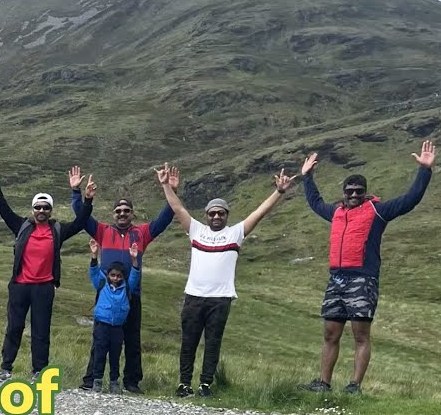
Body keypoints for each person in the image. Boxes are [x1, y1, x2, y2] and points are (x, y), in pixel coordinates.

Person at [296, 142, 436, 395]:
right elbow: (315, 203)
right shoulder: (336, 212)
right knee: (330, 334)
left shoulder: (378, 211)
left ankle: (354, 386)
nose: (353, 196)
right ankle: (323, 384)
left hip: (363, 280)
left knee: (360, 335)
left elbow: (410, 200)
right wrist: (307, 177)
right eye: (349, 191)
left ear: (365, 192)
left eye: (358, 192)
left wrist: (424, 171)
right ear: (343, 192)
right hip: (336, 279)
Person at [158, 163, 294, 398]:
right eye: (212, 213)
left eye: (221, 213)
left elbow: (259, 213)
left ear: (227, 216)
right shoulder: (196, 230)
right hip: (194, 297)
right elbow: (177, 208)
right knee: (188, 342)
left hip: (220, 299)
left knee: (213, 343)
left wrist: (279, 192)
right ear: (207, 216)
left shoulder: (235, 233)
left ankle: (205, 385)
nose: (217, 216)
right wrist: (165, 186)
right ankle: (183, 383)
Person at [70, 167, 175, 393]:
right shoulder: (102, 231)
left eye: (126, 210)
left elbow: (165, 219)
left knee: (132, 339)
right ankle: (91, 379)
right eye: (118, 211)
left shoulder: (142, 233)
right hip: (105, 294)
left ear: (132, 214)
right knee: (100, 339)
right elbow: (81, 215)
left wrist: (170, 190)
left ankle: (131, 382)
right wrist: (76, 191)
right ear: (113, 214)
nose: (122, 213)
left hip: (131, 294)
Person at [0, 161, 95, 382]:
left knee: (41, 331)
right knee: (14, 328)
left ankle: (39, 371)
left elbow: (81, 222)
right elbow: (4, 210)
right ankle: (6, 368)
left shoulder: (58, 230)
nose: (42, 211)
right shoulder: (21, 226)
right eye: (38, 207)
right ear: (32, 209)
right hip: (20, 286)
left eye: (46, 208)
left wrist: (85, 198)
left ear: (51, 211)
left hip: (44, 287)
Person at [84, 238, 142, 394]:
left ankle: (114, 381)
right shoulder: (101, 284)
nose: (115, 278)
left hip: (118, 327)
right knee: (100, 353)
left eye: (119, 276)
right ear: (108, 274)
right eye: (112, 275)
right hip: (102, 326)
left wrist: (134, 259)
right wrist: (94, 255)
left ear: (123, 277)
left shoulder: (127, 287)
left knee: (115, 355)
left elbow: (135, 275)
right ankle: (97, 380)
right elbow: (94, 272)